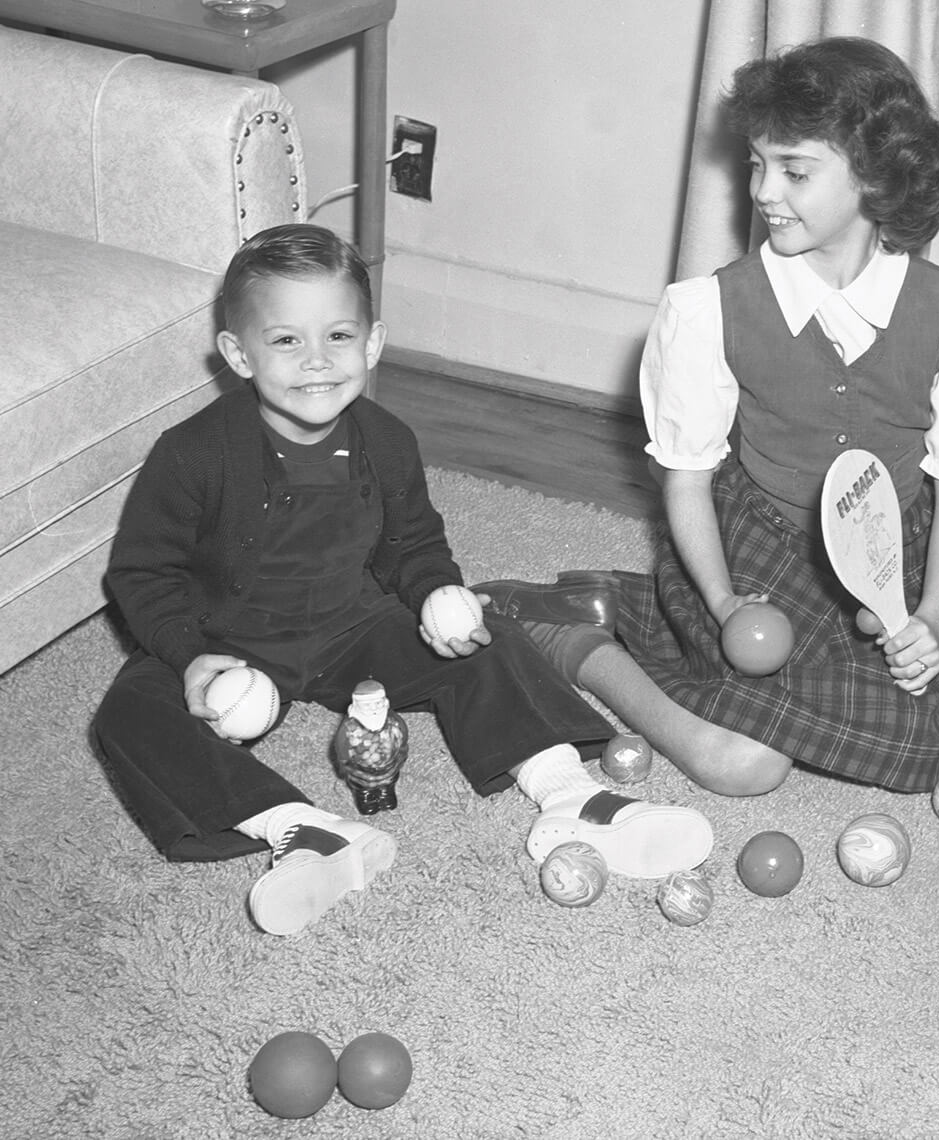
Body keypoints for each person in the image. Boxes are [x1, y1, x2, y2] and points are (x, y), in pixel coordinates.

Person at [93, 224, 713, 937]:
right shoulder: (191, 454)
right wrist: (187, 654)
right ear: (238, 354)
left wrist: (435, 589)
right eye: (286, 341)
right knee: (129, 713)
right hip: (229, 641)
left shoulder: (387, 441)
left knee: (490, 637)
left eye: (339, 336)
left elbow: (412, 545)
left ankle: (571, 794)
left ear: (374, 344)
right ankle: (303, 831)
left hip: (352, 624)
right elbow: (140, 573)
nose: (318, 362)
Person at [475, 37, 939, 799]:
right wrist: (725, 601)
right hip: (756, 546)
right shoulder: (709, 310)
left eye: (795, 170)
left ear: (875, 175)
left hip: (886, 557)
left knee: (909, 747)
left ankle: (620, 606)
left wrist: (927, 617)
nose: (764, 191)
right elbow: (687, 483)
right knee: (745, 766)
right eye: (758, 163)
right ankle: (581, 646)